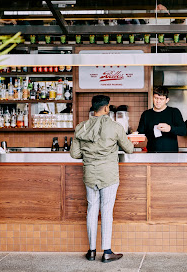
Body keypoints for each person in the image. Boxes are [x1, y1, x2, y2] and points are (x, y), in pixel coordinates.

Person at [70, 95, 135, 263]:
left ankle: (91, 251)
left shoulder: (81, 127)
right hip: (109, 174)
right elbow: (129, 149)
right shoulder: (115, 127)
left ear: (93, 108)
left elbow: (75, 154)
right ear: (107, 108)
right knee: (106, 210)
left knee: (92, 209)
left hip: (90, 173)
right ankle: (107, 251)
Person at [137, 86, 186, 152]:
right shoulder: (146, 114)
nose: (158, 101)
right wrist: (135, 138)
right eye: (156, 98)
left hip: (171, 154)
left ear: (167, 100)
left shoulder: (174, 112)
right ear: (153, 98)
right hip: (152, 153)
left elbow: (183, 131)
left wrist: (170, 128)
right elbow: (140, 133)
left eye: (161, 99)